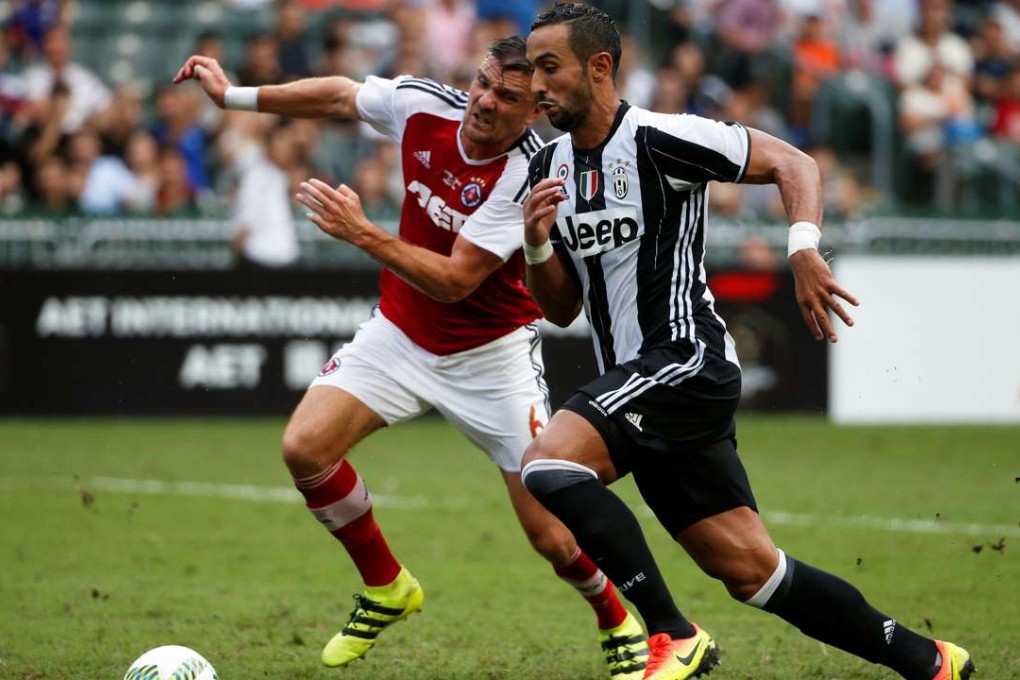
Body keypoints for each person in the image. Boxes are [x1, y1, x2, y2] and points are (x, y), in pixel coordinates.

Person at [519, 5, 975, 680]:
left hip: (684, 358)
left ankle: (674, 635)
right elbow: (560, 308)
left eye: (548, 67)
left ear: (600, 66)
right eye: (531, 70)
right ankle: (930, 659)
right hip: (639, 382)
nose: (536, 85)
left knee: (548, 466)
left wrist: (802, 249)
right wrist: (534, 241)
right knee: (753, 572)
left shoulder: (660, 138)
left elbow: (793, 163)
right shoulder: (549, 166)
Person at [173, 36, 650, 678]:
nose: (484, 101)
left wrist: (362, 231)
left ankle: (616, 617)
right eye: (482, 83)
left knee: (553, 536)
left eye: (507, 96)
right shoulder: (427, 105)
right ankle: (387, 586)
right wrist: (234, 96)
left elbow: (455, 279)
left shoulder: (532, 173)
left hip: (491, 358)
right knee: (304, 449)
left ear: (533, 110)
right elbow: (342, 94)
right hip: (399, 332)